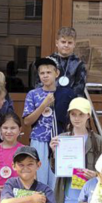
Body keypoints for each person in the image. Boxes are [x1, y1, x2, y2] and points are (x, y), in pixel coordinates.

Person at [23, 57, 60, 190]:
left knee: (58, 180)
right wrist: (44, 104)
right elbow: (27, 121)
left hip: (59, 140)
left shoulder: (64, 93)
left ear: (57, 73)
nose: (45, 76)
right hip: (39, 139)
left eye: (48, 72)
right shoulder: (33, 94)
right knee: (40, 177)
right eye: (42, 73)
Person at [31, 27, 87, 98]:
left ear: (74, 44)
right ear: (57, 43)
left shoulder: (79, 64)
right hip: (48, 100)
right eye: (63, 42)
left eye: (69, 42)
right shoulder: (46, 62)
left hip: (70, 101)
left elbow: (79, 90)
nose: (66, 45)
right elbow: (38, 86)